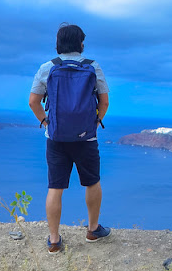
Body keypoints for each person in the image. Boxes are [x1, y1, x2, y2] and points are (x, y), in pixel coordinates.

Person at [29, 23, 111, 254]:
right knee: (92, 182)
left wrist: (46, 122)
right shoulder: (93, 67)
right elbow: (104, 102)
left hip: (55, 138)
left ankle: (54, 240)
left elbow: (33, 102)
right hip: (86, 138)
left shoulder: (47, 68)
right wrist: (94, 123)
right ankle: (93, 230)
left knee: (55, 187)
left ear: (58, 43)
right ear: (80, 43)